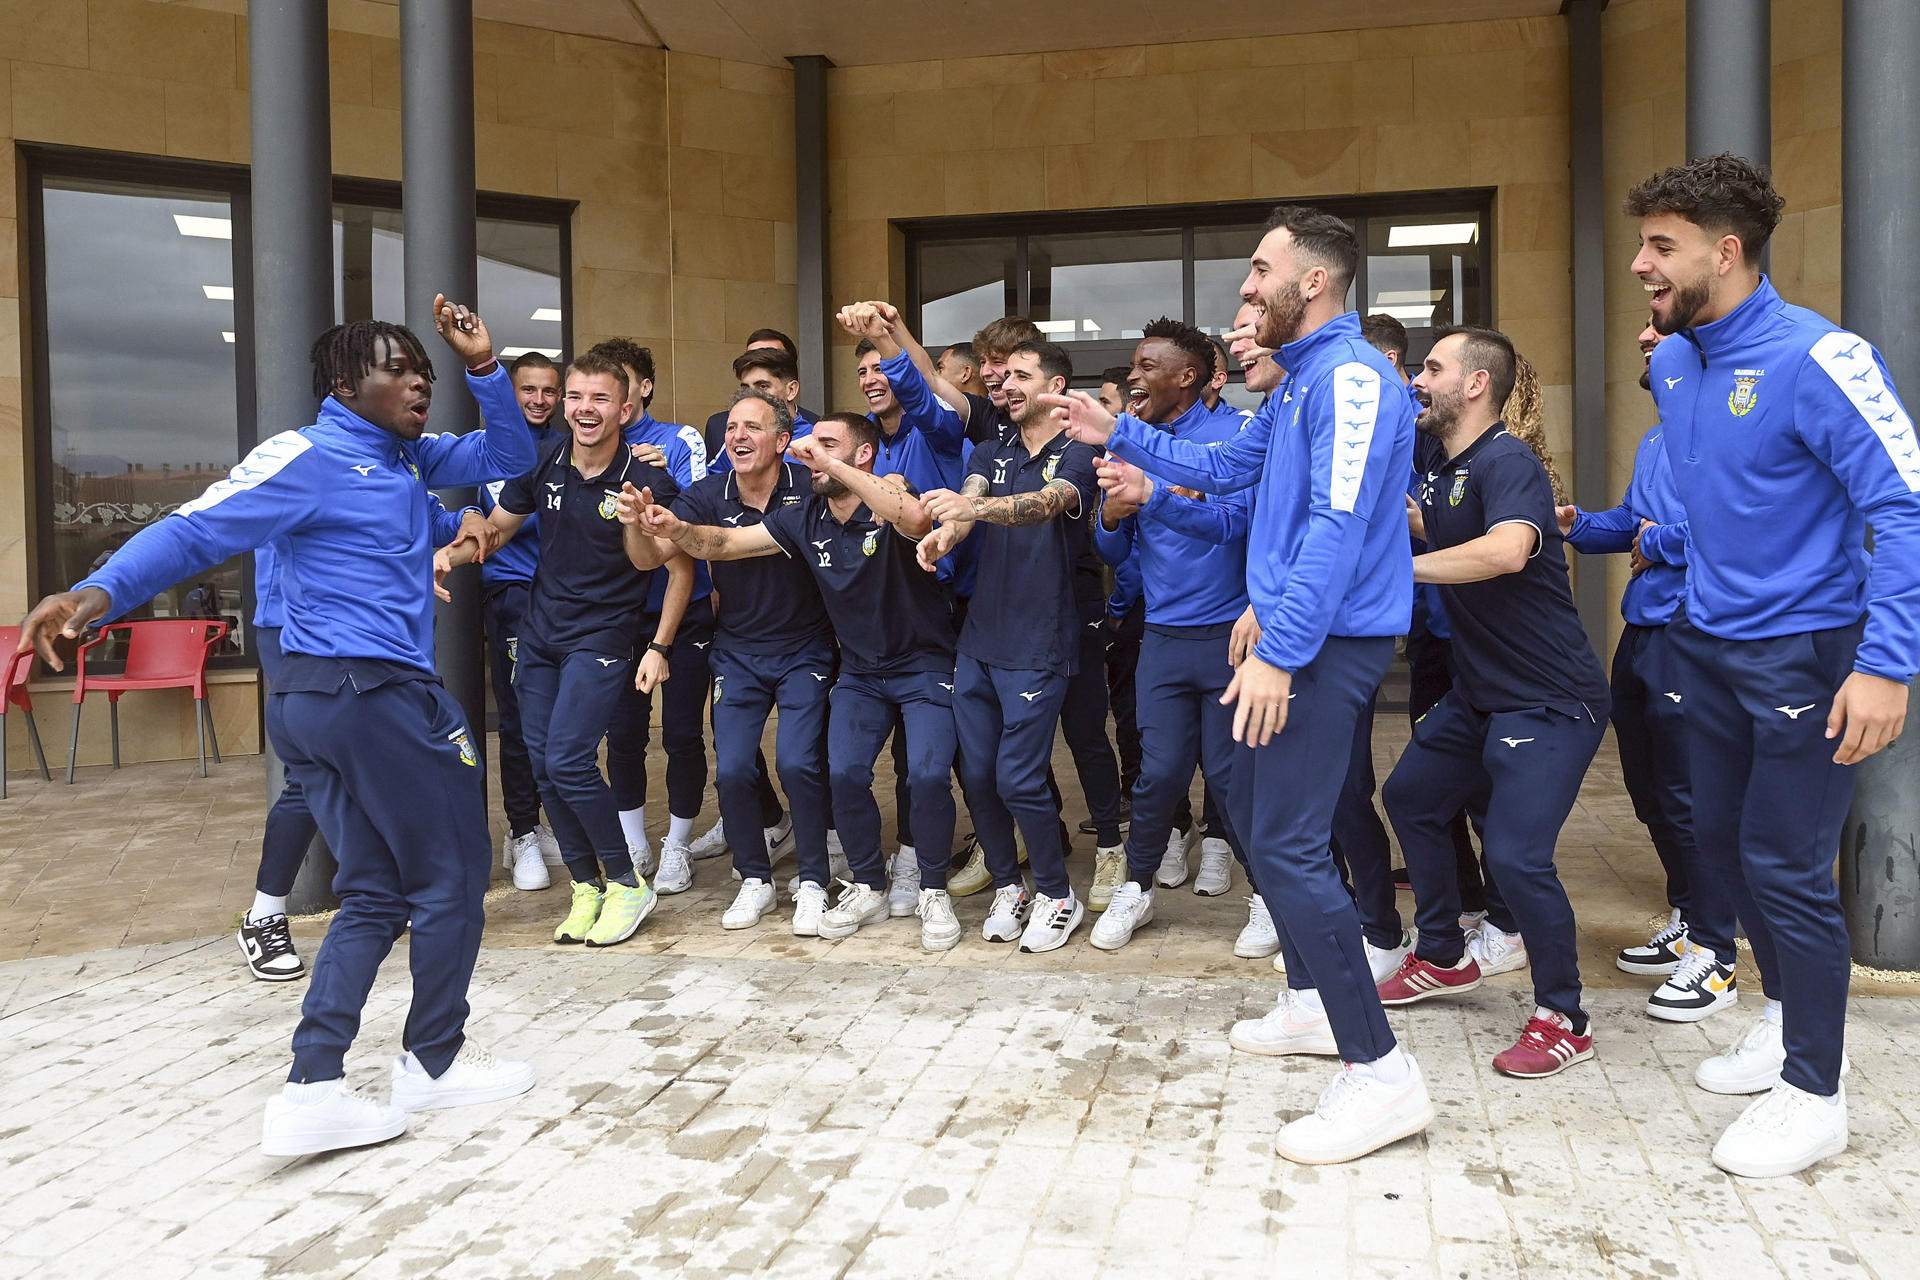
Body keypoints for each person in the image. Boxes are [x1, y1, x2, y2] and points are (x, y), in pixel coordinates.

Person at [18, 298, 539, 1156]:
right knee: (451, 876)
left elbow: (513, 458)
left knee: (373, 888)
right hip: (365, 695)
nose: (418, 381)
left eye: (425, 371)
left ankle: (314, 1087)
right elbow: (195, 530)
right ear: (343, 384)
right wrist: (98, 592)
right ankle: (433, 1065)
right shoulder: (306, 454)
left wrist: (484, 369)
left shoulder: (403, 456)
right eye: (396, 369)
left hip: (324, 702)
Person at [1046, 206, 1429, 1165]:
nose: (1248, 285)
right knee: (1266, 828)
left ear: (1319, 280)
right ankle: (1310, 1002)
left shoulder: (1349, 380)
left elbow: (1335, 530)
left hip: (1320, 648)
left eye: (1263, 269)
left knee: (1292, 846)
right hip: (1297, 637)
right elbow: (1221, 469)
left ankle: (1379, 1073)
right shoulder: (1302, 384)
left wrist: (1278, 647)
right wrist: (1120, 428)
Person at [1628, 154, 1918, 1177]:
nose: (1639, 265)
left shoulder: (1825, 356)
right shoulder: (1673, 360)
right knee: (1725, 847)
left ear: (1727, 249)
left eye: (1660, 246)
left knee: (1790, 871)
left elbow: (1904, 504)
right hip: (1702, 644)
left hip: (1808, 651)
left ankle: (1815, 1088)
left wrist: (1888, 663)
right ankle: (1785, 1015)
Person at [637, 413, 965, 951]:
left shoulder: (893, 501)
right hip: (859, 673)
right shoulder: (804, 515)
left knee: (928, 776)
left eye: (829, 445)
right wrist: (678, 531)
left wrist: (833, 463)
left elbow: (911, 518)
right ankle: (868, 884)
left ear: (862, 456)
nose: (813, 454)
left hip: (923, 666)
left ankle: (931, 888)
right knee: (844, 774)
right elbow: (724, 543)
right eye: (812, 446)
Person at [1380, 327, 1610, 1086]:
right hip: (1482, 695)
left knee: (1514, 855)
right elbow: (1438, 521)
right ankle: (1443, 956)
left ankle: (1563, 1018)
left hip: (1550, 701)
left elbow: (1509, 548)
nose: (1419, 380)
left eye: (1433, 369)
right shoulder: (1451, 468)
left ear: (1475, 385)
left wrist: (1398, 574)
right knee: (1411, 796)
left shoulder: (1508, 460)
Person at [442, 351, 692, 949]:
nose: (584, 408)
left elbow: (664, 566)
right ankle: (587, 884)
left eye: (600, 398)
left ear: (624, 408)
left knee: (571, 761)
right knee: (540, 761)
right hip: (540, 633)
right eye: (576, 396)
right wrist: (448, 555)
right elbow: (499, 528)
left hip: (602, 638)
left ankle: (628, 883)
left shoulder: (649, 477)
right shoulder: (545, 459)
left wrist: (658, 641)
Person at [239, 493, 490, 981]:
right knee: (309, 779)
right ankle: (265, 913)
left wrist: (469, 519)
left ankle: (401, 890)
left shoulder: (398, 454)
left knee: (400, 758)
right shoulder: (301, 461)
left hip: (386, 632)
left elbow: (433, 518)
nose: (414, 414)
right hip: (298, 631)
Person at [1557, 320, 1723, 1019]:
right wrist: (1572, 523)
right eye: (1644, 334)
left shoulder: (1720, 431)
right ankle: (1688, 915)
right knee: (1650, 791)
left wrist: (1661, 540)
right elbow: (1630, 523)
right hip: (1644, 628)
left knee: (1690, 794)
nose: (1643, 337)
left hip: (1693, 628)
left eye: (1658, 336)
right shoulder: (1657, 439)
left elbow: (1731, 524)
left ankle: (1717, 952)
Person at [917, 340, 1103, 952]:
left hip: (1040, 641)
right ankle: (1009, 886)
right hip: (979, 640)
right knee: (977, 773)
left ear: (1054, 389)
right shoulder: (988, 450)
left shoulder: (1079, 455)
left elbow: (1043, 507)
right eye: (1005, 375)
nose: (1007, 383)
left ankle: (1055, 893)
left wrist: (972, 507)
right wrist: (947, 534)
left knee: (1019, 777)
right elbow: (968, 508)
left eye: (1023, 375)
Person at [1085, 317, 1257, 951]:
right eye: (1133, 364)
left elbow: (1235, 526)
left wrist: (1156, 494)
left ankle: (1265, 900)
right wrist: (1110, 511)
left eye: (1147, 365)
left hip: (1229, 638)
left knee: (1232, 778)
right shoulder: (1130, 443)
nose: (1134, 375)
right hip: (1161, 635)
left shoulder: (1233, 436)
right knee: (1156, 777)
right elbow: (1110, 545)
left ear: (1187, 376)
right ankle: (1137, 892)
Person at [661, 388, 836, 933]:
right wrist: (650, 524)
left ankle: (813, 879)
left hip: (806, 648)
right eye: (732, 427)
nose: (738, 436)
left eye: (753, 427)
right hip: (736, 652)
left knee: (798, 764)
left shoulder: (809, 489)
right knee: (734, 768)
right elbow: (661, 550)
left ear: (783, 441)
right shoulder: (708, 492)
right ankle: (755, 879)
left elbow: (713, 543)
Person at [477, 351, 566, 891]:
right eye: (527, 390)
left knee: (558, 720)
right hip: (511, 598)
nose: (538, 400)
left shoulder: (566, 448)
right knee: (517, 719)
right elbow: (504, 521)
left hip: (563, 600)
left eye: (548, 391)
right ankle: (523, 831)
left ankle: (540, 818)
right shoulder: (493, 451)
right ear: (511, 394)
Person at [702, 328, 818, 465]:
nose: (751, 396)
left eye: (763, 387)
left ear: (791, 390)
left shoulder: (817, 438)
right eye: (745, 388)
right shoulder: (733, 439)